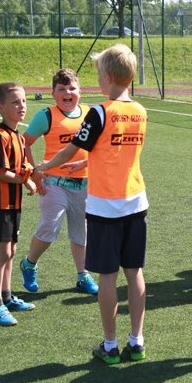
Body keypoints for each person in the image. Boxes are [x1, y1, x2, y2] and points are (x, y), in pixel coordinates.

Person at [36, 44, 149, 362]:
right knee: (135, 272)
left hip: (105, 207)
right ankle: (137, 341)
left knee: (108, 276)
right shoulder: (140, 111)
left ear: (108, 76)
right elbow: (118, 151)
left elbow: (72, 147)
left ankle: (110, 346)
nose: (97, 79)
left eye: (99, 73)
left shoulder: (99, 112)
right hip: (136, 202)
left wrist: (45, 166)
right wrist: (86, 164)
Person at [19, 69, 98, 296]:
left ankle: (83, 275)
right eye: (61, 89)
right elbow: (25, 143)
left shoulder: (90, 114)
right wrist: (33, 172)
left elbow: (99, 147)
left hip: (84, 183)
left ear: (80, 91)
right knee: (49, 227)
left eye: (72, 88)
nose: (67, 93)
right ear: (53, 93)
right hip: (54, 182)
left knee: (81, 232)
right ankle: (29, 264)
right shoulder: (46, 115)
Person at [0, 82, 37, 326]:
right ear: (0, 107)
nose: (22, 106)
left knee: (11, 251)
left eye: (24, 101)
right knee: (3, 252)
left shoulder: (18, 137)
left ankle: (6, 296)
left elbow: (21, 167)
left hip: (13, 204)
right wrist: (25, 179)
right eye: (15, 102)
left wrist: (29, 176)